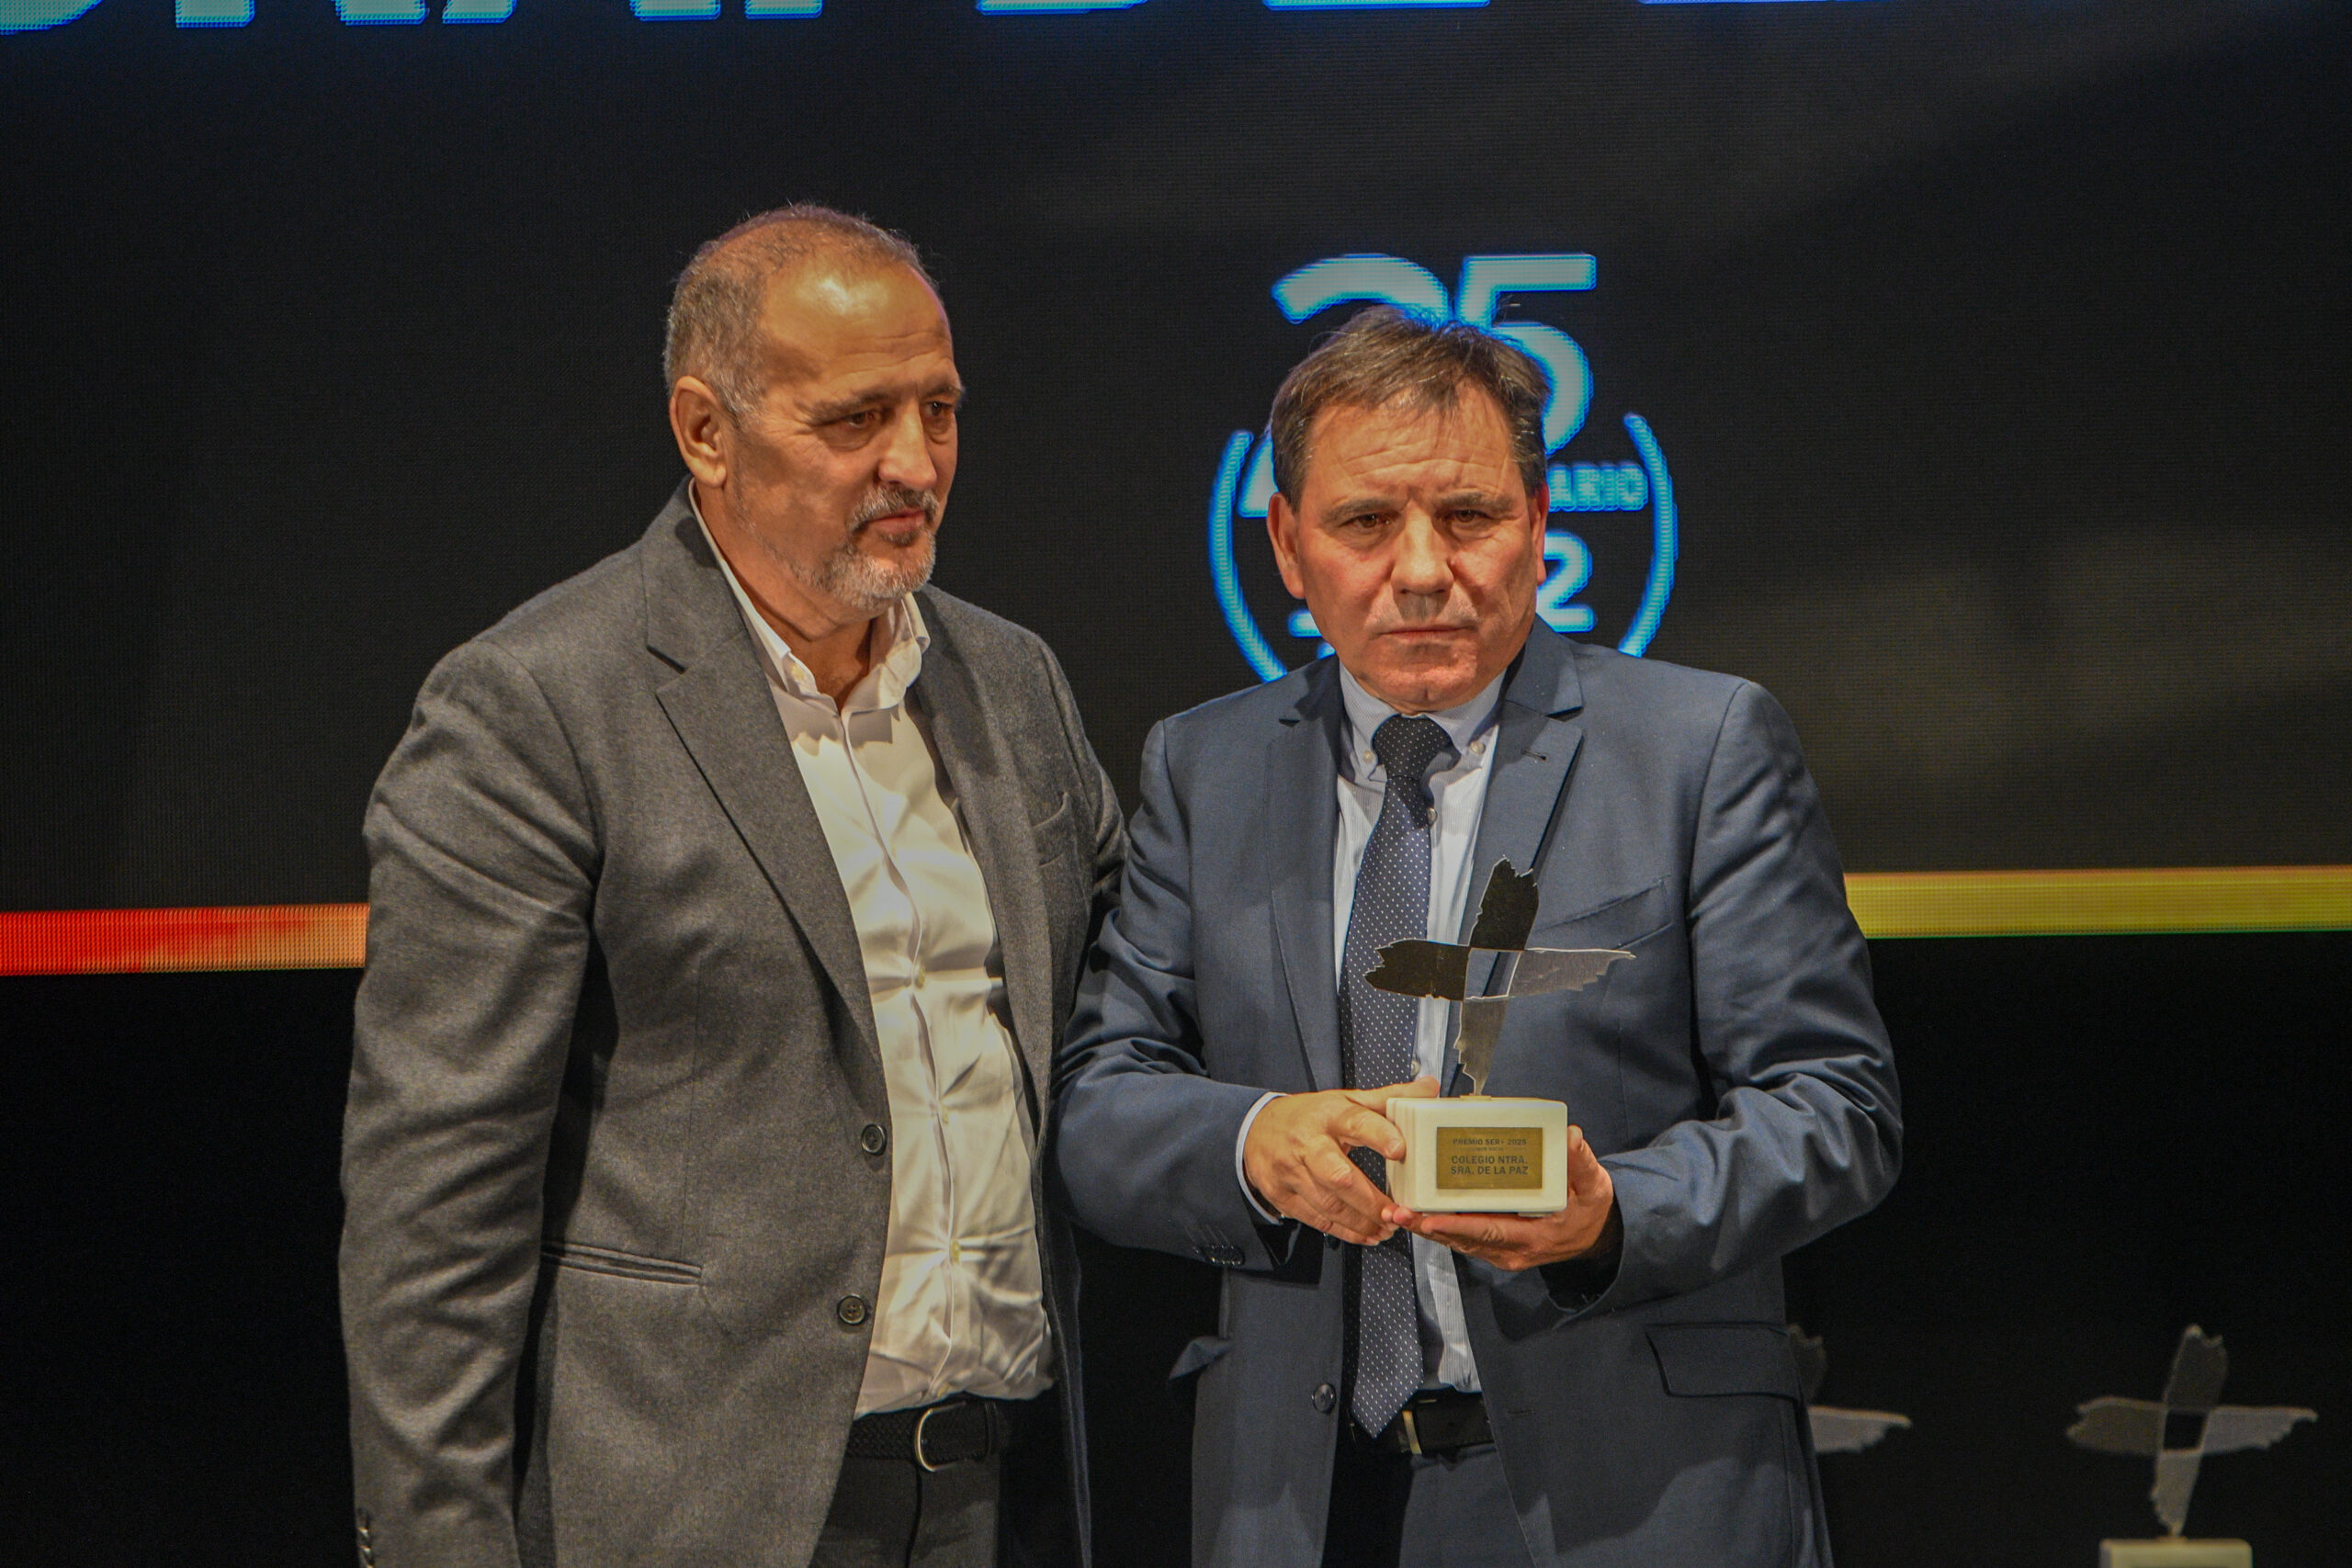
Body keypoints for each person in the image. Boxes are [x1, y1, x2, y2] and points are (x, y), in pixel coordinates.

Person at [1051, 307, 1900, 1568]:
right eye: (1363, 523)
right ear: (1286, 545)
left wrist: (1612, 1213)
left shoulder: (1700, 748)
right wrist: (1253, 1142)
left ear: (1540, 524)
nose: (1420, 570)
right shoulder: (1204, 768)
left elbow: (1836, 1108)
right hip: (1304, 1502)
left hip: (1635, 1493)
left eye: (1468, 516)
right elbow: (1097, 1105)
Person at [340, 206, 1123, 1568]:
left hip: (1006, 1495)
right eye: (854, 420)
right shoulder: (537, 707)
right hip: (700, 1512)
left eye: (938, 410)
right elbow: (436, 1208)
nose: (915, 462)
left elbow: (1121, 1016)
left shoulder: (1012, 682)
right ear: (706, 431)